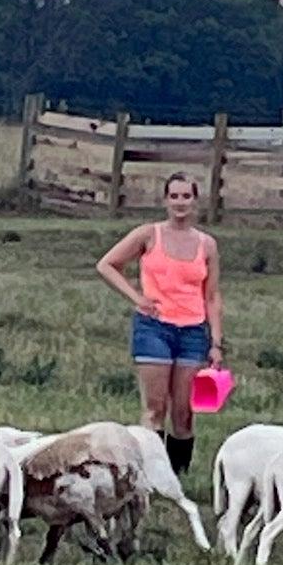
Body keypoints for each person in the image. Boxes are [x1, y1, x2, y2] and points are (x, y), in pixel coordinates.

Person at [95, 171, 224, 474]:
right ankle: (147, 475)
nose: (180, 203)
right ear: (165, 200)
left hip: (193, 331)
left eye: (186, 196)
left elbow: (213, 296)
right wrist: (136, 297)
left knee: (184, 412)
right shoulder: (148, 235)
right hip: (154, 327)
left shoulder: (207, 245)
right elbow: (106, 265)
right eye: (174, 196)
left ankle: (179, 475)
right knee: (155, 408)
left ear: (195, 201)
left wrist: (216, 342)